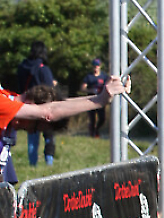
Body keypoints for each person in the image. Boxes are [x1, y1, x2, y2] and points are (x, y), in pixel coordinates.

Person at [0, 76, 130, 183]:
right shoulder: (3, 104)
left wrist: (100, 97)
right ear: (30, 105)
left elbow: (56, 106)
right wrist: (99, 100)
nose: (30, 131)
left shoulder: (8, 99)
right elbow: (48, 112)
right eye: (35, 126)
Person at [17, 40, 58, 166]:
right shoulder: (43, 69)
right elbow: (50, 88)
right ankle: (49, 161)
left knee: (32, 136)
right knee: (49, 135)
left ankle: (32, 163)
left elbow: (20, 87)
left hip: (28, 105)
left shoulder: (22, 67)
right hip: (44, 106)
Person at [80, 58, 110, 138]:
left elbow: (108, 84)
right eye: (94, 66)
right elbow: (83, 88)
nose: (96, 68)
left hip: (100, 99)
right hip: (91, 100)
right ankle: (93, 133)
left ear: (100, 66)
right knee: (92, 119)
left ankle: (97, 129)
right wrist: (90, 90)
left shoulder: (104, 76)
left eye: (97, 66)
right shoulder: (89, 77)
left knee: (102, 118)